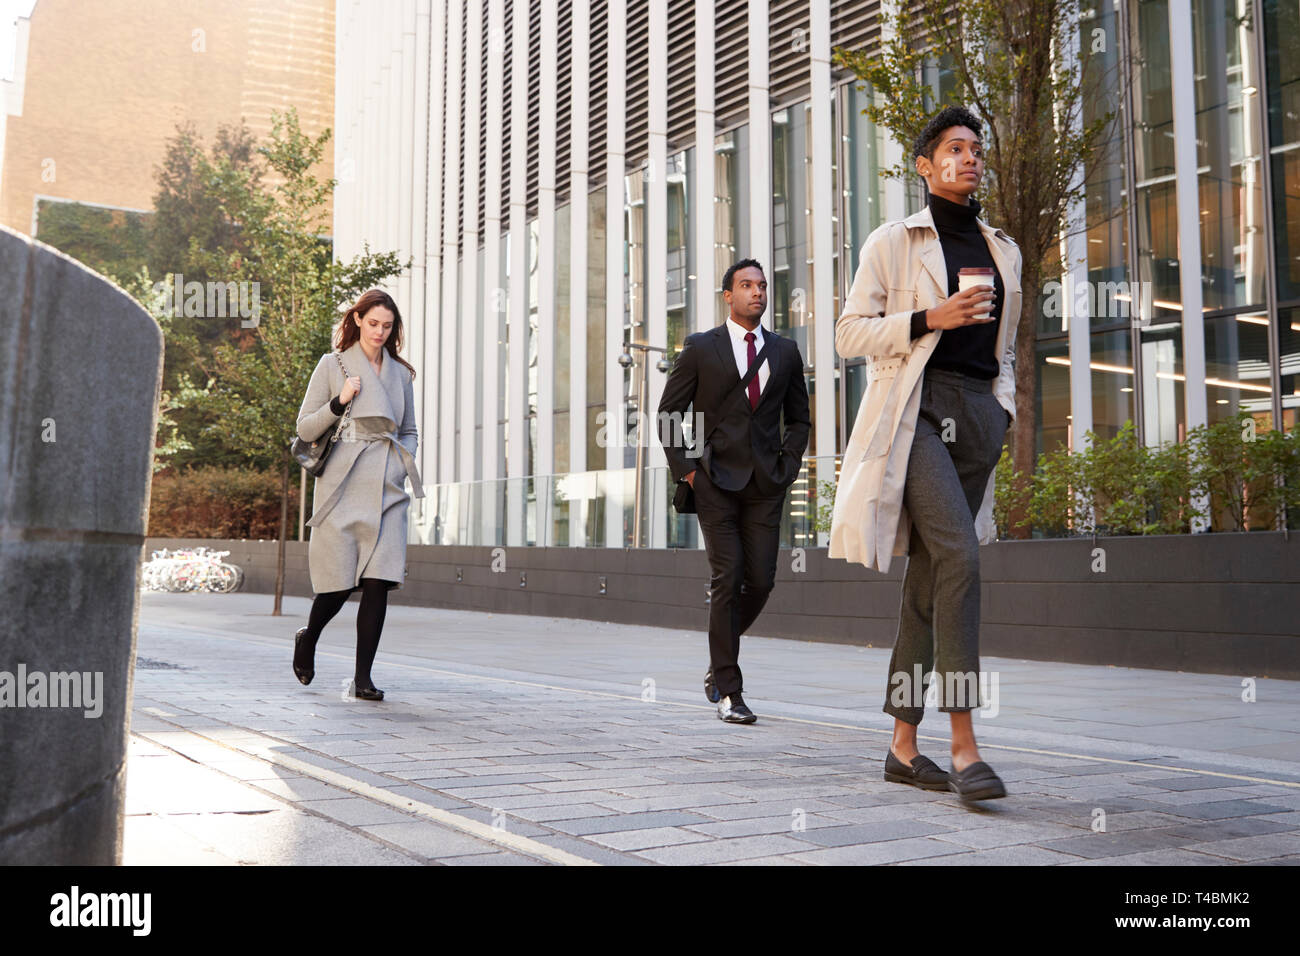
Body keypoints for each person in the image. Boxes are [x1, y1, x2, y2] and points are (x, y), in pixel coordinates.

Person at [829, 106, 1022, 801]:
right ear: (924, 164)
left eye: (976, 148)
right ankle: (965, 745)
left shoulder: (1003, 249)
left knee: (928, 579)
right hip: (916, 410)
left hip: (977, 415)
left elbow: (1002, 350)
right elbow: (849, 334)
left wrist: (1003, 411)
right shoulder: (894, 241)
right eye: (954, 148)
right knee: (961, 558)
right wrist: (927, 319)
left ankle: (902, 746)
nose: (970, 158)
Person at [657, 259, 811, 724]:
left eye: (762, 286)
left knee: (761, 580)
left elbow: (800, 417)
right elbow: (669, 412)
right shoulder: (702, 347)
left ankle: (718, 658)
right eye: (747, 286)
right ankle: (730, 690)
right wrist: (687, 472)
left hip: (766, 485)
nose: (757, 293)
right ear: (728, 295)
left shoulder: (785, 351)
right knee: (729, 577)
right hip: (714, 483)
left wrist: (788, 464)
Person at [291, 289, 424, 701]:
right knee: (336, 586)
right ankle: (308, 637)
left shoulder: (401, 375)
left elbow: (410, 430)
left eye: (387, 326)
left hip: (387, 484)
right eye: (373, 324)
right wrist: (340, 400)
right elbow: (305, 428)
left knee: (379, 581)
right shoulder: (333, 365)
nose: (380, 332)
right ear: (358, 320)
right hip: (343, 482)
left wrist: (404, 462)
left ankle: (363, 678)